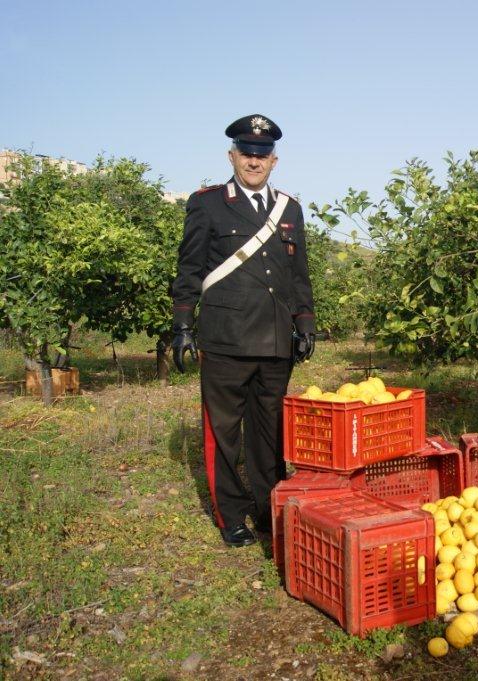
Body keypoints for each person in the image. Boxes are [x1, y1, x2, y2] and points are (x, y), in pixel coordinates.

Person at [170, 114, 316, 547]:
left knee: (270, 431)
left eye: (262, 154)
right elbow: (190, 268)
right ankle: (231, 515)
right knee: (223, 432)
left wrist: (304, 323)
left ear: (274, 160)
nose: (254, 161)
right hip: (226, 337)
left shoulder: (289, 208)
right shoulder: (208, 203)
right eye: (246, 153)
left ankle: (269, 509)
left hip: (274, 340)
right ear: (232, 155)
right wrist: (183, 325)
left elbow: (298, 273)